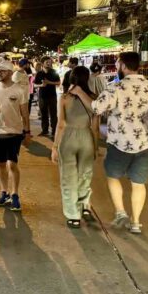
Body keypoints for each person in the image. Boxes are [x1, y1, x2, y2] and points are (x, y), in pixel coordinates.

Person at [71, 52, 148, 234]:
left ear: (124, 66)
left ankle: (120, 212)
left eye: (118, 64)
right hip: (146, 142)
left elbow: (96, 108)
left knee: (113, 176)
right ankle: (136, 222)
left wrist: (79, 92)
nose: (117, 67)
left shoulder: (116, 87)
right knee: (138, 183)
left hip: (120, 142)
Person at [51, 66, 99, 228]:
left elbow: (61, 124)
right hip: (86, 136)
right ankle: (84, 203)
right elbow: (95, 125)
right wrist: (96, 145)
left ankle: (73, 215)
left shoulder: (64, 98)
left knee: (68, 178)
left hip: (67, 138)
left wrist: (55, 146)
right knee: (85, 173)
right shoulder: (93, 98)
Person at [0, 60, 31, 212]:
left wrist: (27, 132)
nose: (0, 73)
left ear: (11, 73)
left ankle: (15, 194)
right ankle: (4, 192)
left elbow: (25, 113)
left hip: (14, 132)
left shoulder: (19, 90)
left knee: (12, 164)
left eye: (3, 71)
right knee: (0, 164)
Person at [34, 57, 61, 137]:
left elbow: (58, 83)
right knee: (43, 114)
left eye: (50, 62)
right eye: (47, 62)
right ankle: (44, 130)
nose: (49, 63)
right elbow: (35, 85)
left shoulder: (54, 72)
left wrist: (49, 82)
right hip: (42, 96)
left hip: (52, 96)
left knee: (53, 114)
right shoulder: (39, 73)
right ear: (42, 63)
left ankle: (54, 131)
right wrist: (41, 85)